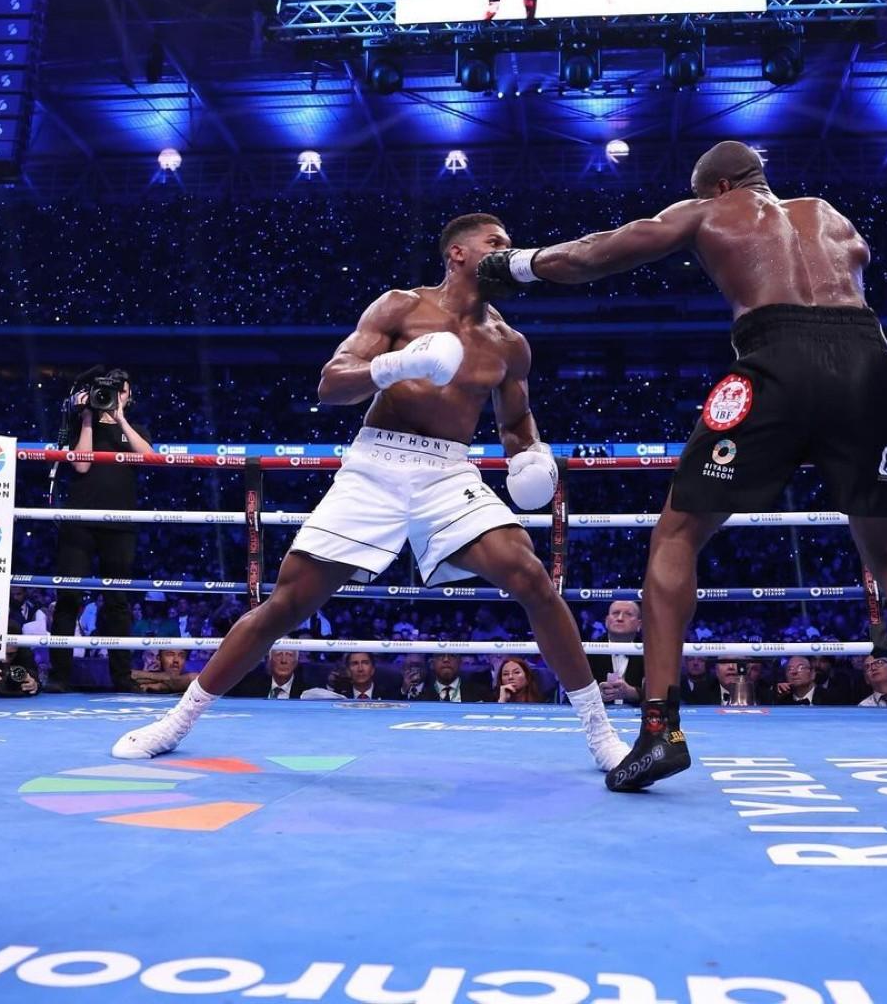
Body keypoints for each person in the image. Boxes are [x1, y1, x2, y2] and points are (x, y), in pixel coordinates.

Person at [477, 140, 887, 794]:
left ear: (716, 187)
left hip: (775, 359)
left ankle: (660, 729)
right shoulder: (829, 214)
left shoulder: (709, 211)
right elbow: (856, 272)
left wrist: (513, 265)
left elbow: (597, 253)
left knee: (678, 534)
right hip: (868, 365)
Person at [111, 213, 628, 772]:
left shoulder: (509, 343)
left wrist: (529, 455)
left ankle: (601, 735)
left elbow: (516, 420)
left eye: (511, 242)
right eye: (495, 242)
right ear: (457, 253)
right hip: (375, 464)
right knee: (288, 602)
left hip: (447, 473)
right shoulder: (400, 307)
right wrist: (397, 364)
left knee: (530, 574)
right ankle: (176, 721)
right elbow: (331, 384)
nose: (509, 251)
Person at [47, 367, 153, 692]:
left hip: (120, 523)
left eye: (121, 391)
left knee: (117, 601)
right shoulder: (80, 424)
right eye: (109, 391)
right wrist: (89, 417)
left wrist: (119, 419)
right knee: (68, 596)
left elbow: (150, 458)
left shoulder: (135, 428)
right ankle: (59, 676)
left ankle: (121, 677)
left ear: (129, 396)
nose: (114, 396)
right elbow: (81, 464)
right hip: (80, 522)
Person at [585, 598, 644, 706]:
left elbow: (662, 694)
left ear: (639, 624)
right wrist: (596, 695)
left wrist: (633, 693)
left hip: (638, 716)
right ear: (607, 621)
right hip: (597, 714)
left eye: (628, 614)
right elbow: (574, 691)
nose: (620, 618)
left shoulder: (650, 653)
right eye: (616, 613)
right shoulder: (588, 651)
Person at [231, 648, 314, 700]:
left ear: (296, 662)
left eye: (289, 655)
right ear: (269, 661)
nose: (284, 660)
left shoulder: (308, 693)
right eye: (278, 654)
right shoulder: (249, 687)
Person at [416, 653, 490, 703]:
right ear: (432, 664)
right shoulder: (421, 697)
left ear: (460, 662)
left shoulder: (481, 693)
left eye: (452, 655)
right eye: (440, 655)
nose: (446, 660)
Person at [131, 648, 198, 695]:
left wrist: (161, 686)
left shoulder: (191, 678)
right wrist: (164, 677)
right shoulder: (148, 676)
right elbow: (129, 675)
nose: (176, 660)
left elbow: (197, 679)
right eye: (170, 655)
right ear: (159, 659)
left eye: (181, 656)